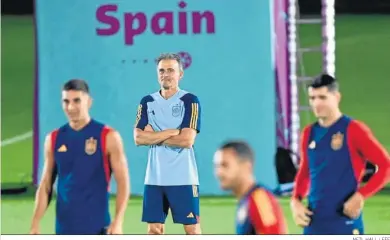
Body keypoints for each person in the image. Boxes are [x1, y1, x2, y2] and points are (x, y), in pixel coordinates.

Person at [291, 74, 390, 235]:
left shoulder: (354, 129)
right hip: (314, 223)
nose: (316, 103)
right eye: (312, 98)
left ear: (336, 97)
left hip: (345, 222)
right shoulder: (309, 133)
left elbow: (386, 166)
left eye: (322, 97)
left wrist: (360, 196)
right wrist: (295, 201)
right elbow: (305, 171)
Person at [30, 79, 130, 235]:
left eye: (77, 101)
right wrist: (35, 222)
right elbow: (46, 185)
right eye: (66, 101)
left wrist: (118, 221)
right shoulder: (54, 138)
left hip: (98, 229)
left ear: (89, 102)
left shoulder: (108, 136)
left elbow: (123, 182)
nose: (71, 107)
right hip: (63, 230)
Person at [133, 53, 201, 235]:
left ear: (180, 74)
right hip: (155, 178)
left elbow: (187, 140)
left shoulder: (190, 101)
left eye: (171, 70)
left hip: (183, 178)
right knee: (154, 230)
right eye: (161, 70)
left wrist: (153, 136)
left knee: (192, 229)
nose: (166, 74)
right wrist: (171, 132)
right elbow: (138, 139)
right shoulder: (147, 102)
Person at [214, 140, 288, 234]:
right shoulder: (246, 200)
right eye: (217, 166)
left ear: (246, 166)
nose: (219, 172)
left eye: (225, 165)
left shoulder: (259, 199)